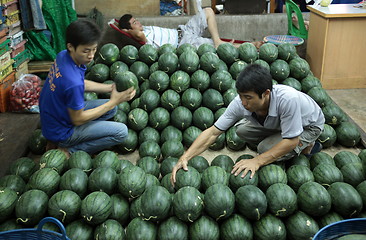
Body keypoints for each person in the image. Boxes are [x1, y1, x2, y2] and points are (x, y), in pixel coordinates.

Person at [171, 64, 324, 183]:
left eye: (248, 98)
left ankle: (308, 146)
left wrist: (257, 161)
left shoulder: (287, 100)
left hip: (308, 126)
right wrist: (185, 157)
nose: (243, 102)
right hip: (279, 124)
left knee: (264, 149)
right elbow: (213, 132)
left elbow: (292, 141)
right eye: (241, 96)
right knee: (242, 130)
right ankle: (279, 141)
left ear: (265, 94)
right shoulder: (240, 102)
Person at [39, 19, 136, 157]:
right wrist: (113, 101)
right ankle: (68, 151)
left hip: (51, 120)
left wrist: (109, 88)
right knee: (121, 132)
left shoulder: (63, 56)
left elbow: (81, 83)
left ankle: (58, 140)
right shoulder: (72, 82)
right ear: (71, 46)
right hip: (62, 130)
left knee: (111, 110)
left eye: (94, 49)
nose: (91, 56)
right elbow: (78, 119)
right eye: (86, 51)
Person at [118, 0, 262, 49]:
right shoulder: (143, 38)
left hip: (184, 30)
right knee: (213, 46)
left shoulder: (146, 28)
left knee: (208, 11)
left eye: (136, 20)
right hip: (184, 43)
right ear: (129, 29)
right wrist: (126, 30)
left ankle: (218, 41)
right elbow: (137, 34)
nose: (138, 23)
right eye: (134, 23)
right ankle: (249, 45)